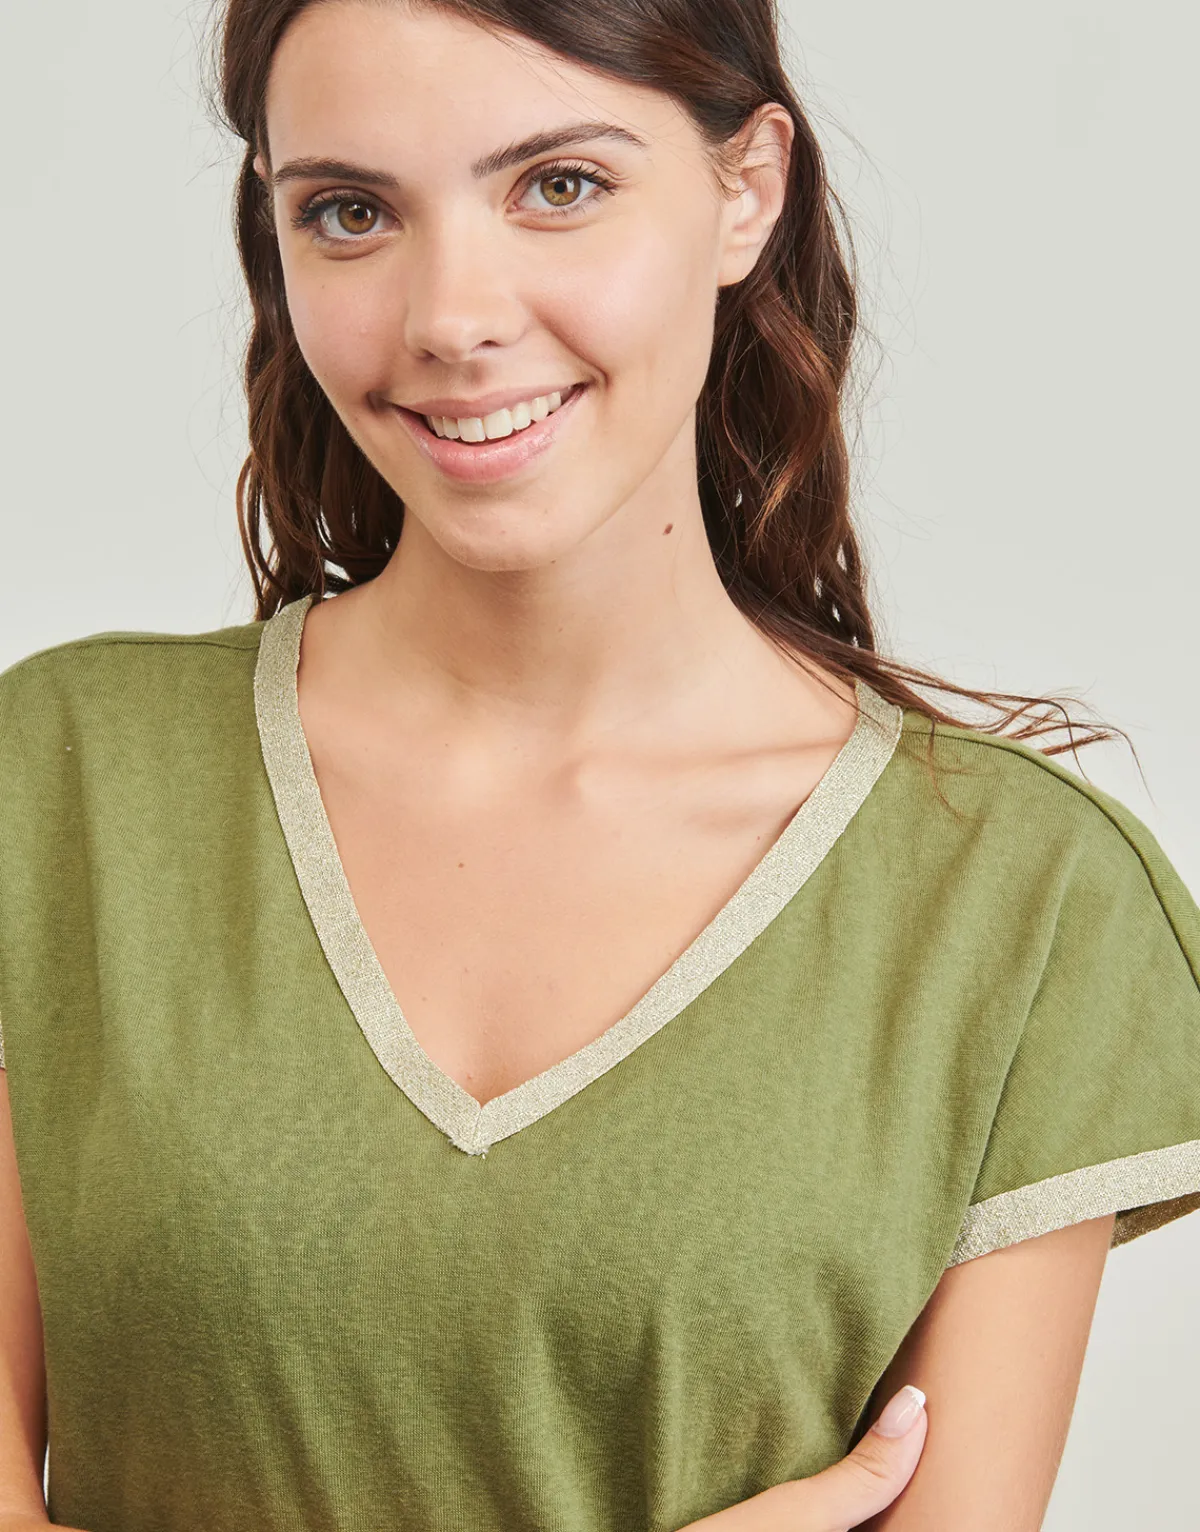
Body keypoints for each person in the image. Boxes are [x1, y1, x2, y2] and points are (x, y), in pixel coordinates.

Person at [1, 1, 1197, 1529]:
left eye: (558, 184)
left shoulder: (1020, 905)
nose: (451, 317)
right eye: (352, 211)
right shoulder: (54, 785)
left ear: (746, 189)